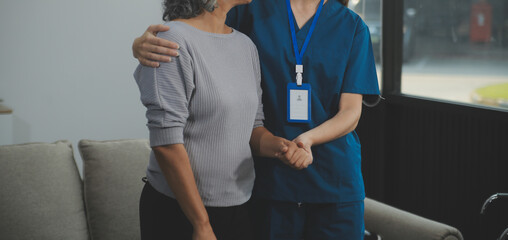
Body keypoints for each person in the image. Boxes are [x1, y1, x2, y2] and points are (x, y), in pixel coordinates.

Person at [134, 0, 381, 239]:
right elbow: (199, 26)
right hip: (269, 179)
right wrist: (140, 44)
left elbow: (351, 112)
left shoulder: (352, 26)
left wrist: (306, 139)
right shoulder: (250, 9)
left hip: (332, 175)